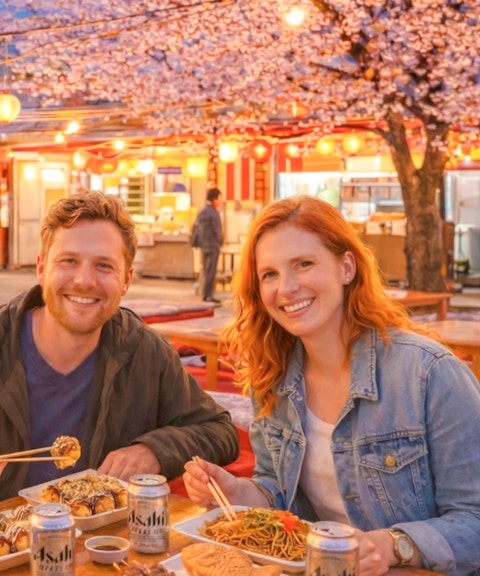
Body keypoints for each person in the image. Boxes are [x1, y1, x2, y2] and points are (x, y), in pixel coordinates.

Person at [184, 195, 480, 576]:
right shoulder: (272, 376)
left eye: (303, 264)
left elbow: (474, 518)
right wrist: (235, 491)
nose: (286, 288)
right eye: (269, 274)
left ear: (346, 267)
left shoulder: (429, 373)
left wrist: (395, 545)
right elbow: (279, 491)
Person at [0, 190, 239, 499]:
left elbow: (219, 431)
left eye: (103, 266)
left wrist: (153, 451)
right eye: (68, 261)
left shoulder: (144, 352)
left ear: (126, 279)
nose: (84, 280)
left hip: (105, 542)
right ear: (42, 268)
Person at [194, 187, 223, 304]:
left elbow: (197, 228)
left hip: (203, 246)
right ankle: (208, 295)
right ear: (214, 199)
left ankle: (205, 294)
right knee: (211, 271)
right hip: (213, 245)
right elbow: (217, 230)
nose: (220, 202)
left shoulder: (202, 210)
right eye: (219, 199)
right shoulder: (213, 212)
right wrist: (220, 241)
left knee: (206, 270)